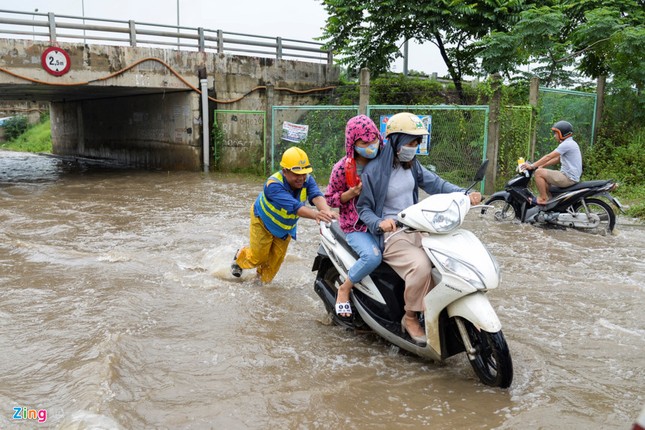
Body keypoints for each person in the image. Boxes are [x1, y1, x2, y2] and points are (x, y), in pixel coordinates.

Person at [356, 112, 481, 344]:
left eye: (416, 142)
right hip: (393, 234)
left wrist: (464, 194)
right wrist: (379, 223)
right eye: (410, 142)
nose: (413, 147)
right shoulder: (374, 171)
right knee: (421, 266)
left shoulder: (412, 165)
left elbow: (437, 184)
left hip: (418, 227)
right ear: (396, 140)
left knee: (446, 260)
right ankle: (410, 317)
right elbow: (363, 209)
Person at [232, 146, 337, 283]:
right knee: (258, 258)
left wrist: (327, 212)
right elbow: (295, 207)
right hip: (263, 222)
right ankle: (240, 257)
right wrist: (316, 215)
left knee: (272, 267)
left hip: (284, 229)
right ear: (284, 171)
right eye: (296, 174)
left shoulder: (307, 180)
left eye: (304, 174)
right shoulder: (273, 185)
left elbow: (316, 196)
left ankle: (258, 283)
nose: (301, 178)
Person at [325, 115, 383, 319]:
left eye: (373, 140)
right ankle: (345, 287)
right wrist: (349, 195)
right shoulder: (342, 168)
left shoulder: (383, 160)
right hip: (355, 226)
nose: (370, 146)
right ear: (353, 143)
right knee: (373, 256)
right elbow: (330, 199)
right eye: (364, 143)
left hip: (382, 221)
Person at [520, 120, 582, 206]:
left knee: (538, 173)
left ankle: (543, 199)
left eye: (556, 133)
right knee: (542, 172)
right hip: (569, 176)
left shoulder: (567, 144)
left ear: (562, 134)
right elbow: (557, 159)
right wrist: (542, 165)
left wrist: (532, 166)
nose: (554, 136)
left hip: (568, 178)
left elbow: (548, 157)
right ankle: (549, 199)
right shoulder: (570, 143)